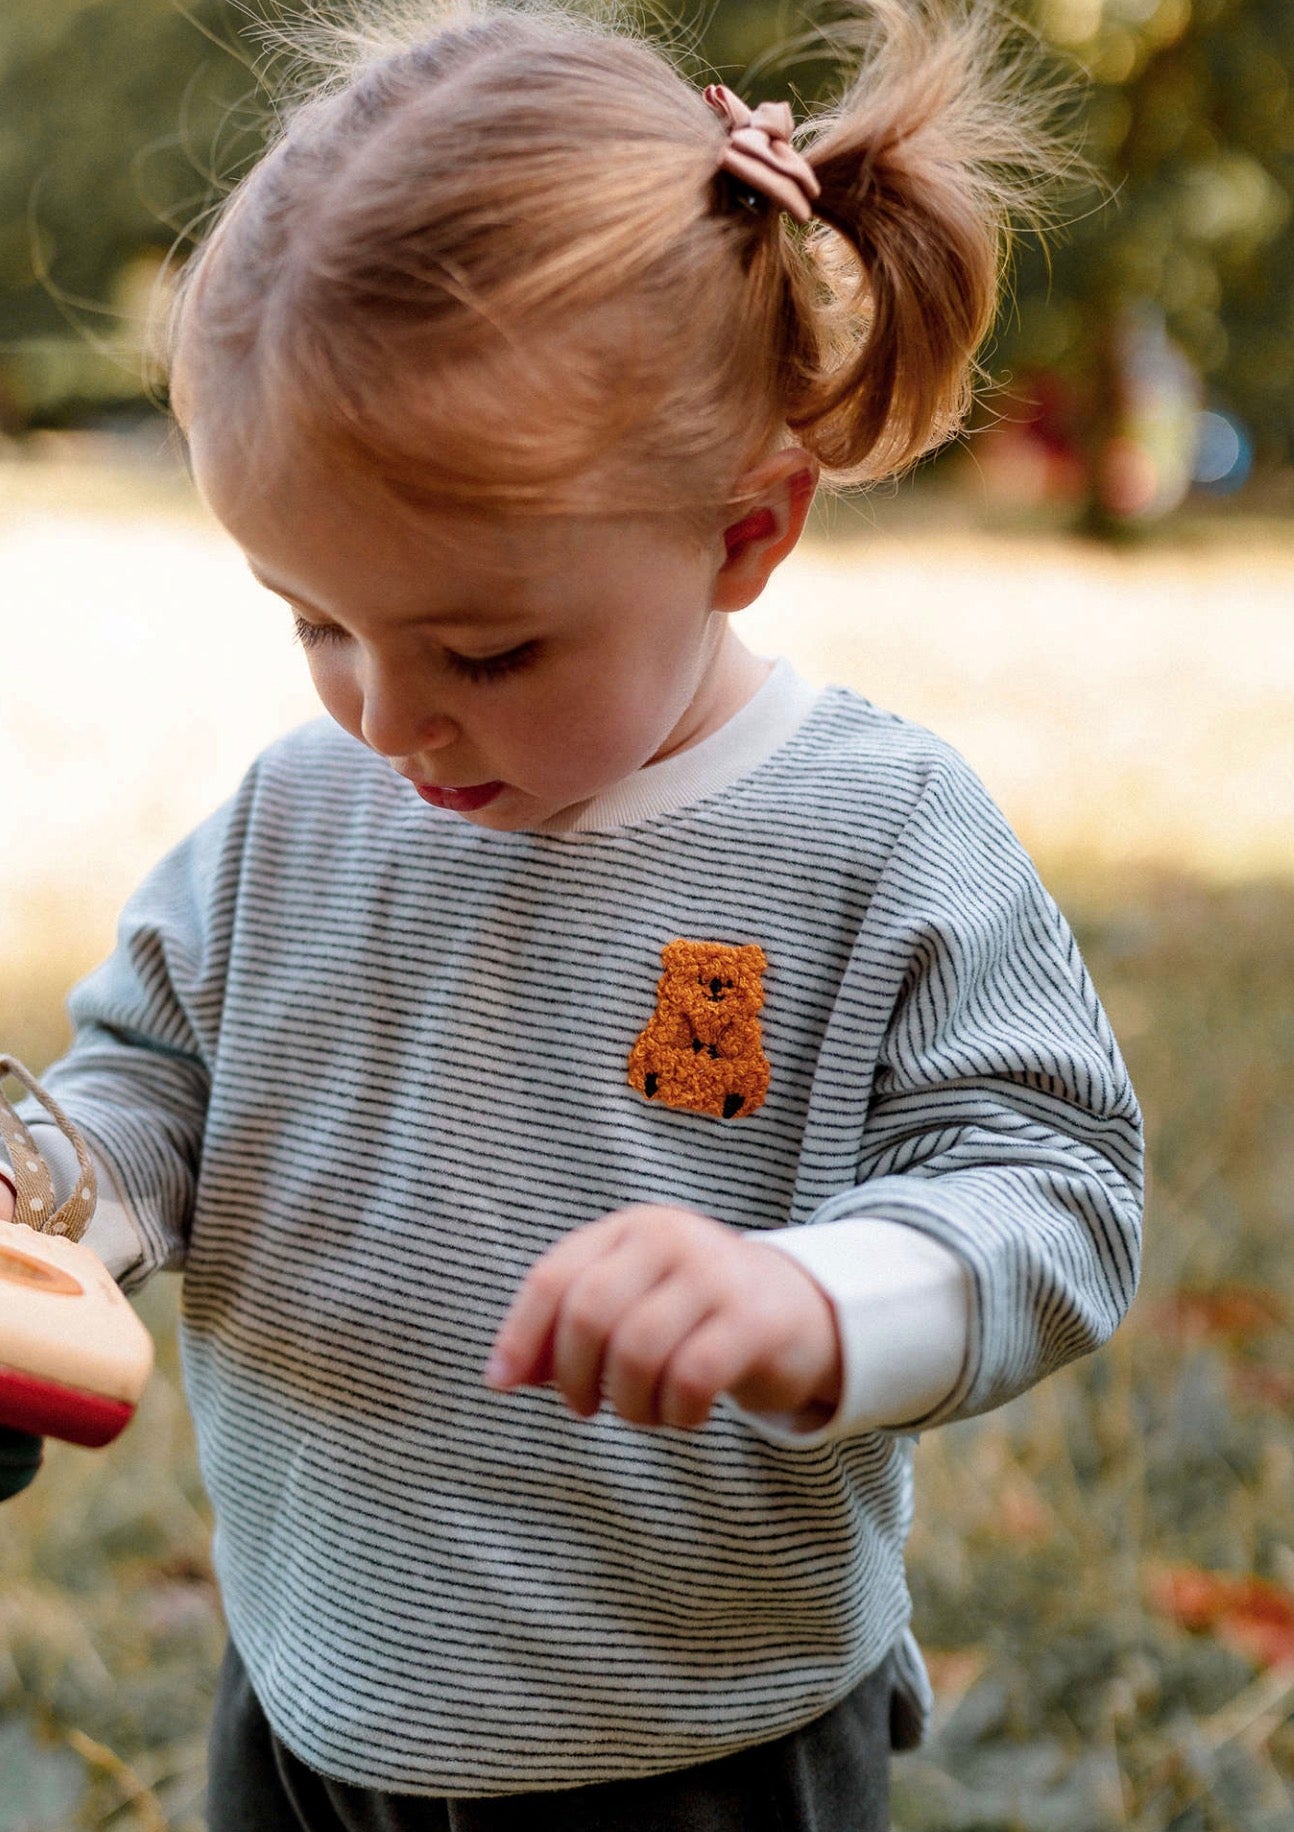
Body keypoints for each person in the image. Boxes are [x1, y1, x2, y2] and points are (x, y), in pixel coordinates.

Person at [0, 1, 1142, 1826]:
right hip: (315, 1688)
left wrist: (812, 1298)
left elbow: (1051, 1191)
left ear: (745, 531)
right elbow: (151, 1088)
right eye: (311, 620)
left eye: (485, 647)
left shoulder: (871, 834)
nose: (383, 716)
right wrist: (56, 1215)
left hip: (695, 1733)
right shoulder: (299, 815)